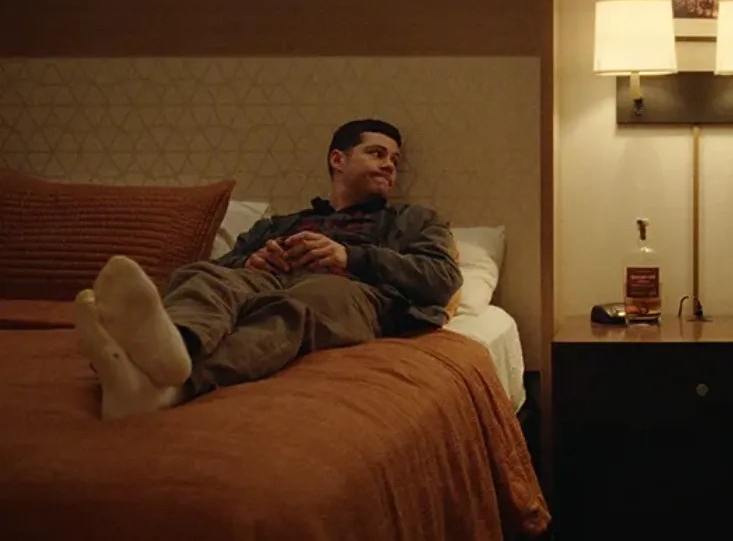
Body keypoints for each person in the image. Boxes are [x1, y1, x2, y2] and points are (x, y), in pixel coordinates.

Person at [75, 119, 462, 419]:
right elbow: (222, 268)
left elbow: (442, 279)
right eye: (377, 153)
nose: (389, 166)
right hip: (264, 279)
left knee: (302, 301)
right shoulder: (279, 224)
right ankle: (168, 347)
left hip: (347, 292)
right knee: (204, 277)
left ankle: (177, 385)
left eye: (394, 160)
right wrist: (250, 261)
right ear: (338, 160)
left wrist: (350, 257)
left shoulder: (414, 219)